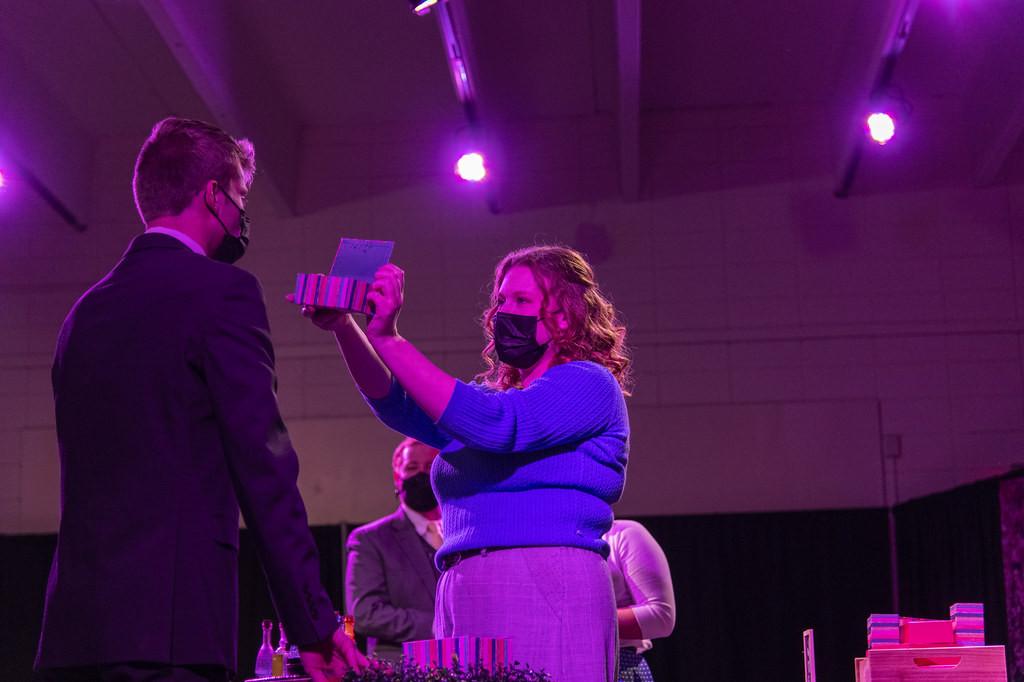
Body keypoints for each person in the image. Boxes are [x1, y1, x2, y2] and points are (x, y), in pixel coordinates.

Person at [35, 117, 366, 682]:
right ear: (213, 194)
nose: (241, 213)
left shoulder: (83, 313)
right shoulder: (223, 293)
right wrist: (311, 622)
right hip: (172, 632)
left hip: (72, 634)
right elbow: (263, 467)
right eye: (240, 195)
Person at [299, 244, 631, 682]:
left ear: (565, 316)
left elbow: (500, 427)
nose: (504, 311)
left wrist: (389, 338)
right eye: (501, 300)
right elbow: (399, 407)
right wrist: (346, 327)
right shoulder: (496, 397)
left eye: (522, 301)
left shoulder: (588, 383)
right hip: (464, 582)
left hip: (545, 578)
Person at [345, 438, 442, 661]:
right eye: (411, 468)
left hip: (466, 665)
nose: (421, 474)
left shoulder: (461, 535)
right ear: (397, 477)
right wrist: (439, 625)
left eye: (429, 467)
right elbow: (366, 614)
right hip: (401, 668)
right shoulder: (370, 539)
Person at [604, 519, 676, 682]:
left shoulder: (622, 533)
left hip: (619, 665)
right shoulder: (537, 540)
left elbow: (660, 616)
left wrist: (581, 624)